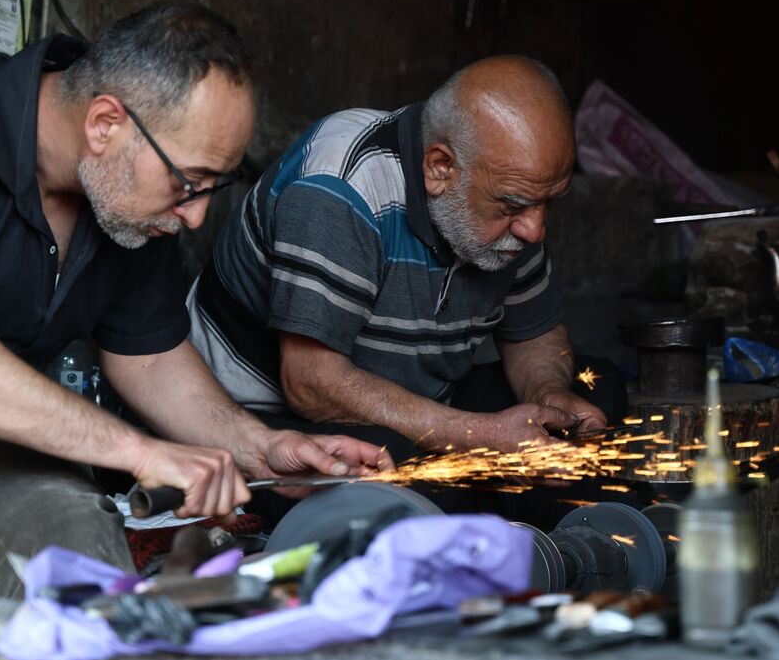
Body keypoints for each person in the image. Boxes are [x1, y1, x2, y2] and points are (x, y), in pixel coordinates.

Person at [0, 2, 390, 609]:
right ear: (105, 124)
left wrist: (261, 447)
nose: (195, 215)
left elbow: (152, 357)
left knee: (81, 566)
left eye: (211, 188)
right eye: (187, 183)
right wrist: (136, 450)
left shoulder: (130, 207)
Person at [188, 55, 627, 467]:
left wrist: (548, 394)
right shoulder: (342, 188)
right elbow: (311, 384)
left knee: (598, 385)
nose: (535, 231)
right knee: (409, 467)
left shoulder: (513, 199)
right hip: (264, 420)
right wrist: (478, 435)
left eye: (547, 204)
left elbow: (535, 331)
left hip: (418, 403)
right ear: (440, 167)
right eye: (514, 206)